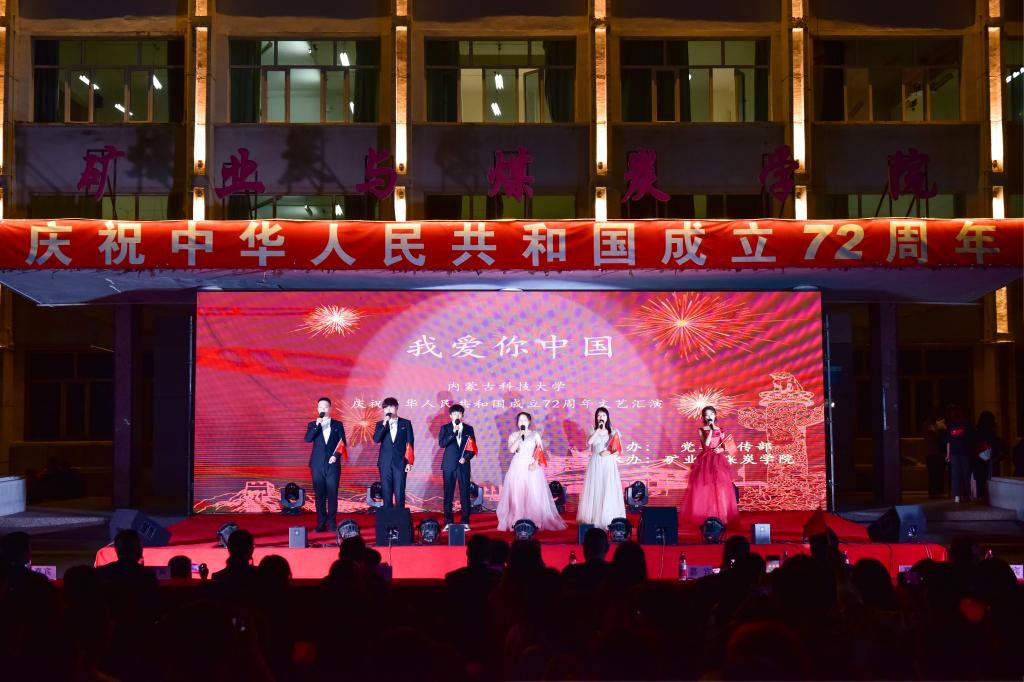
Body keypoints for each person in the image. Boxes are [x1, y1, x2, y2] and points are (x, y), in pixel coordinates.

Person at [497, 411, 567, 532]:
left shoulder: (535, 434)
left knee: (533, 494)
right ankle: (517, 520)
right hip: (517, 466)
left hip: (531, 466)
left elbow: (540, 450)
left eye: (524, 420)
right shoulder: (513, 435)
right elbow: (511, 450)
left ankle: (535, 521)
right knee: (517, 494)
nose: (522, 422)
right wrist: (520, 437)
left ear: (529, 422)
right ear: (517, 422)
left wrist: (535, 464)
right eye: (520, 420)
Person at [680, 405, 740, 528]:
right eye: (706, 415)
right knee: (706, 489)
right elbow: (706, 444)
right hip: (706, 461)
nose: (709, 416)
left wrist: (721, 449)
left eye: (711, 414)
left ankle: (722, 517)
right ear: (703, 417)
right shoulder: (701, 430)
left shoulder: (721, 430)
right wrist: (711, 430)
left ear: (715, 415)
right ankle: (706, 517)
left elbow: (725, 445)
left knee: (721, 488)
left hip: (718, 461)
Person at [575, 407, 626, 529]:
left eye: (603, 415)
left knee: (608, 489)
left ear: (607, 417)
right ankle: (595, 518)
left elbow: (619, 450)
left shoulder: (613, 431)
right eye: (598, 416)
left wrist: (608, 453)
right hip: (596, 462)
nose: (601, 417)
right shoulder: (592, 430)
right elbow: (590, 443)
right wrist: (598, 430)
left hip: (608, 463)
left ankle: (608, 519)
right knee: (596, 489)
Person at [304, 397, 348, 532]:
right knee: (320, 495)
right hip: (317, 464)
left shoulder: (337, 425)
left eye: (325, 406)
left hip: (332, 464)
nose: (323, 409)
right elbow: (308, 439)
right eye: (320, 407)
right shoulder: (312, 424)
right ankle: (321, 524)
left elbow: (343, 442)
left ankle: (332, 523)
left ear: (330, 408)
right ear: (318, 409)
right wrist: (317, 425)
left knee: (332, 494)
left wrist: (336, 456)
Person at [438, 403, 476, 530]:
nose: (457, 415)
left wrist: (466, 458)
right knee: (448, 494)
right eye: (454, 413)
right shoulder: (445, 428)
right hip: (449, 465)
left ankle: (465, 521)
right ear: (450, 416)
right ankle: (448, 522)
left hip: (463, 465)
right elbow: (442, 444)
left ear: (462, 415)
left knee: (465, 494)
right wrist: (453, 432)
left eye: (459, 413)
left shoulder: (469, 429)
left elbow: (473, 448)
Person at [372, 397, 415, 508]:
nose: (388, 410)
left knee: (400, 491)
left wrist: (409, 462)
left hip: (400, 463)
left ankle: (400, 516)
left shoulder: (405, 423)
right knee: (386, 491)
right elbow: (376, 440)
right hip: (385, 463)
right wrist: (384, 424)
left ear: (396, 407)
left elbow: (410, 443)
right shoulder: (380, 424)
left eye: (391, 407)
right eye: (385, 408)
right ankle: (388, 516)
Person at [944, 404, 973, 503]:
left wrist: (948, 454)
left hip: (960, 453)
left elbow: (948, 441)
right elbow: (948, 440)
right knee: (963, 474)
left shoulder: (964, 424)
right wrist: (948, 454)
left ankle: (961, 495)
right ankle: (962, 495)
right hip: (961, 453)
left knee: (959, 474)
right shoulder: (953, 425)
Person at [973, 410, 1003, 503]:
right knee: (991, 477)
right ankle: (993, 497)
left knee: (980, 478)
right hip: (991, 459)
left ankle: (981, 496)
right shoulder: (992, 432)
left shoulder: (977, 432)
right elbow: (996, 445)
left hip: (979, 458)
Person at [921, 407, 947, 497]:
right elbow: (933, 434)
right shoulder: (927, 424)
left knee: (939, 473)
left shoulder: (939, 424)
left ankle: (939, 491)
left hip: (939, 453)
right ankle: (933, 492)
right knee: (933, 474)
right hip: (931, 453)